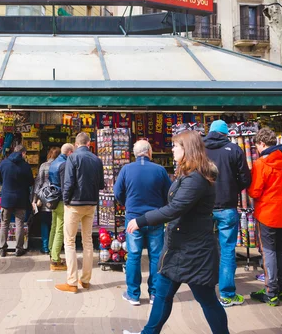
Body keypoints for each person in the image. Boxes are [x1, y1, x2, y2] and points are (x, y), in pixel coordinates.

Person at [123, 130, 229, 334]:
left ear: (187, 149)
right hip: (180, 249)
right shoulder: (190, 174)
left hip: (193, 252)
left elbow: (175, 209)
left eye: (175, 146)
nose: (172, 149)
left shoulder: (195, 178)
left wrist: (142, 220)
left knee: (206, 299)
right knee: (162, 295)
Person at [114, 140, 171, 306]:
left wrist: (128, 204)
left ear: (134, 152)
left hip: (133, 219)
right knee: (156, 256)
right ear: (150, 152)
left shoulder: (126, 169)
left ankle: (133, 294)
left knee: (133, 255)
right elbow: (169, 193)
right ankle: (154, 294)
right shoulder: (160, 170)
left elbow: (118, 193)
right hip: (155, 218)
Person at [248, 128, 282, 306]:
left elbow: (255, 191)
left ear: (262, 144)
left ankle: (271, 291)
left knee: (268, 252)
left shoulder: (261, 163)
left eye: (257, 146)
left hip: (267, 213)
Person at [204, 120, 252, 307]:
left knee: (204, 248)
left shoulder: (199, 149)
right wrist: (233, 188)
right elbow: (245, 178)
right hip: (227, 207)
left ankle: (204, 289)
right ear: (226, 134)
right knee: (227, 250)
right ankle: (226, 294)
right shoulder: (234, 149)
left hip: (204, 208)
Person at [55, 132, 104, 293]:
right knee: (88, 241)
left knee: (69, 242)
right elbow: (102, 184)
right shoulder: (97, 160)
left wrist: (66, 200)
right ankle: (86, 280)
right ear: (89, 144)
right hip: (90, 204)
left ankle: (72, 282)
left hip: (74, 204)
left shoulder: (72, 158)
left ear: (76, 144)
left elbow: (68, 182)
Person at [0, 144, 35, 257]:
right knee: (19, 224)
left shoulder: (4, 163)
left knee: (4, 224)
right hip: (21, 198)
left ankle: (2, 249)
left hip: (6, 198)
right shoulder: (25, 166)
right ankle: (19, 249)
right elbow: (31, 182)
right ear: (23, 153)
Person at [48, 143, 75, 271]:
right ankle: (55, 258)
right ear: (69, 152)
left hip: (53, 197)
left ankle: (51, 250)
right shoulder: (64, 164)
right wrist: (67, 200)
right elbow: (66, 184)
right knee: (60, 228)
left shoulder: (54, 163)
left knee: (54, 225)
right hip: (60, 199)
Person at [33, 147, 61, 254]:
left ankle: (45, 246)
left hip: (45, 199)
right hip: (57, 199)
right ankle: (54, 246)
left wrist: (35, 199)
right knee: (57, 224)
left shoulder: (44, 166)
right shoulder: (61, 165)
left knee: (44, 223)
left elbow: (38, 183)